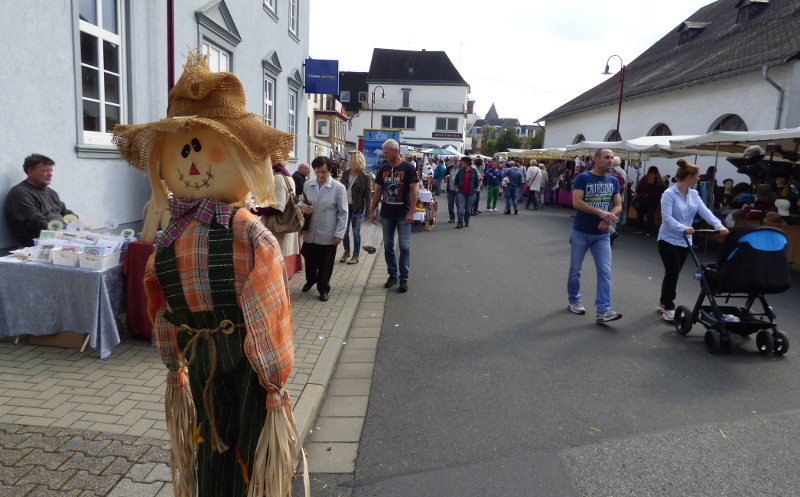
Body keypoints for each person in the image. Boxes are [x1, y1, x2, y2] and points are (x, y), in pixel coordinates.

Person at [114, 53, 300, 497]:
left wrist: (271, 381)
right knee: (215, 438)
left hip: (235, 360)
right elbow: (160, 300)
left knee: (243, 438)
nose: (191, 163)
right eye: (181, 151)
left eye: (202, 148)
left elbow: (262, 306)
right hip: (211, 358)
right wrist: (173, 362)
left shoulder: (245, 235)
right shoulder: (173, 238)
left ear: (244, 159)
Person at [657, 158, 728, 321]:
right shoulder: (669, 194)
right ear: (689, 177)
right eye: (697, 176)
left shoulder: (694, 194)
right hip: (667, 239)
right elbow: (666, 218)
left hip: (685, 240)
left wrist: (719, 225)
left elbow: (705, 212)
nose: (699, 178)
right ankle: (668, 306)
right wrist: (683, 227)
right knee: (673, 272)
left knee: (674, 273)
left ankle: (662, 302)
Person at [567, 148, 623, 323]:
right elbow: (577, 202)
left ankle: (603, 310)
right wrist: (601, 212)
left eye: (612, 157)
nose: (611, 160)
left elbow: (618, 205)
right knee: (576, 270)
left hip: (602, 234)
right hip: (581, 232)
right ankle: (574, 300)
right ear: (596, 160)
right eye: (607, 157)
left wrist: (608, 217)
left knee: (605, 271)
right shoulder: (583, 178)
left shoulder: (613, 180)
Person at [368, 138, 419, 293]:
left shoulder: (408, 168)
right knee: (388, 246)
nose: (384, 155)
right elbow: (378, 191)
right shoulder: (383, 168)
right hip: (387, 214)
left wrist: (411, 211)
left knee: (404, 246)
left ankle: (404, 278)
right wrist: (372, 210)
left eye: (386, 152)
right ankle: (392, 275)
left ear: (395, 151)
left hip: (403, 214)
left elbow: (414, 190)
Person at [299, 156, 348, 301]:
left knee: (325, 263)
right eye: (317, 172)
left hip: (328, 232)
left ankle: (323, 288)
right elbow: (302, 199)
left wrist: (340, 233)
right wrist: (301, 206)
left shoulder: (338, 188)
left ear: (330, 171)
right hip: (310, 230)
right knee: (308, 257)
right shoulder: (308, 185)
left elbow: (343, 213)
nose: (320, 175)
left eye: (324, 172)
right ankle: (310, 279)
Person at [5, 153, 77, 247]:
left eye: (51, 170)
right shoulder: (20, 193)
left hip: (62, 238)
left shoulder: (51, 192)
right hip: (39, 245)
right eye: (45, 171)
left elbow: (65, 212)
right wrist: (66, 237)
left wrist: (76, 222)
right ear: (30, 171)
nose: (50, 174)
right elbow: (37, 222)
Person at [339, 151, 373, 264]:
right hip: (344, 206)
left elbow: (368, 196)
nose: (346, 160)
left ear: (354, 160)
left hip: (357, 207)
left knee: (356, 232)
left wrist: (368, 212)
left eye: (348, 158)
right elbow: (339, 191)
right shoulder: (345, 173)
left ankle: (356, 255)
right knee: (344, 231)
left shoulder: (365, 176)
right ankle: (346, 251)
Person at [634, 166, 666, 236]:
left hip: (644, 199)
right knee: (651, 215)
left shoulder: (645, 178)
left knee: (640, 214)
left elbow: (638, 189)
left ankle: (639, 229)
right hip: (655, 200)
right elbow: (663, 189)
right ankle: (649, 231)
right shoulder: (659, 180)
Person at [453, 156, 480, 229]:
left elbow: (477, 181)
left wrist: (474, 189)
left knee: (468, 209)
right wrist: (456, 187)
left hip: (470, 192)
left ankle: (467, 221)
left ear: (468, 163)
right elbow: (456, 180)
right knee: (461, 208)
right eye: (462, 162)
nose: (462, 163)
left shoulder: (473, 171)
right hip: (461, 192)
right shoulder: (461, 170)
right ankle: (460, 222)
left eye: (463, 162)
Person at [444, 158, 460, 223]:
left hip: (459, 189)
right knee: (450, 204)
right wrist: (446, 177)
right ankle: (452, 217)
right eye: (454, 160)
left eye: (456, 160)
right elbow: (444, 175)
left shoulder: (461, 168)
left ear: (459, 161)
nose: (455, 162)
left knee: (459, 204)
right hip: (450, 188)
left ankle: (460, 218)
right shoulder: (449, 168)